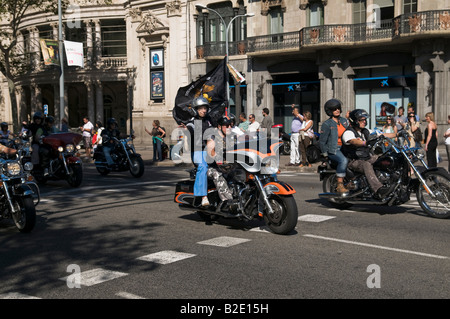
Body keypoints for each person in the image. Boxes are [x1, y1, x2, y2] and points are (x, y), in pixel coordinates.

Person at [341, 109, 388, 200]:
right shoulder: (348, 132)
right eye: (361, 120)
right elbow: (352, 141)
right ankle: (378, 189)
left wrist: (398, 134)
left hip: (366, 157)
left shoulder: (365, 131)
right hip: (353, 160)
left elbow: (381, 134)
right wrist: (364, 143)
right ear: (355, 121)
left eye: (365, 120)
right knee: (367, 164)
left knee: (383, 158)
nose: (364, 122)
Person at [318, 99, 350, 194]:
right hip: (333, 149)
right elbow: (322, 141)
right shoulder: (327, 124)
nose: (337, 110)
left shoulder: (344, 121)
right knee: (343, 160)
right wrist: (325, 155)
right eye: (334, 109)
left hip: (346, 148)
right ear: (329, 111)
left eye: (338, 108)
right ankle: (340, 185)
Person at [185, 96, 212, 207]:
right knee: (203, 166)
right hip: (197, 151)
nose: (204, 110)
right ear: (195, 109)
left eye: (205, 108)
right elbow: (190, 129)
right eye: (201, 108)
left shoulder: (209, 121)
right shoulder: (192, 122)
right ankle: (203, 196)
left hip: (209, 151)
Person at [205, 115, 234, 208]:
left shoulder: (231, 137)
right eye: (227, 125)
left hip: (227, 166)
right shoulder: (213, 136)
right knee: (218, 174)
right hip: (212, 167)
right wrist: (217, 158)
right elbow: (210, 150)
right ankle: (228, 201)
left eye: (230, 125)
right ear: (219, 126)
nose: (229, 127)